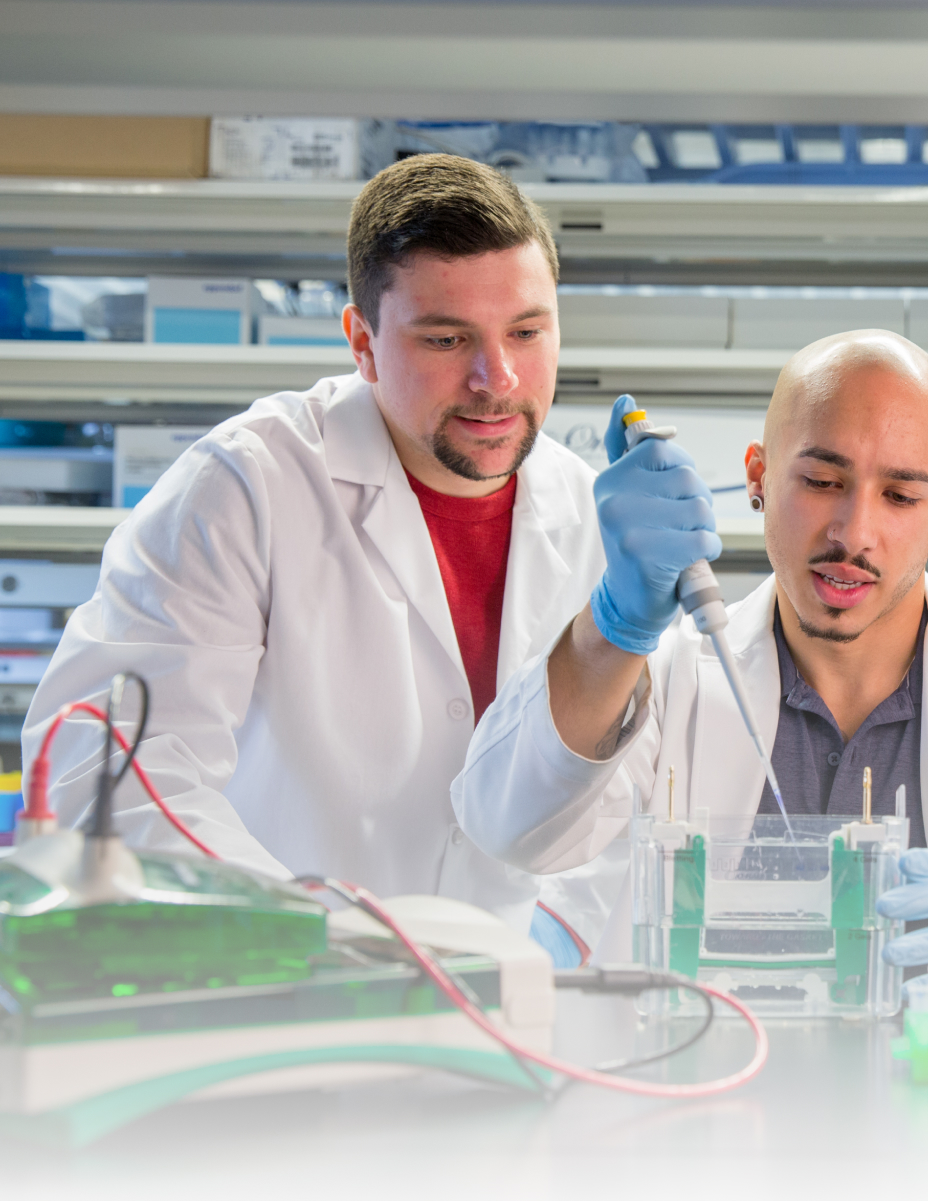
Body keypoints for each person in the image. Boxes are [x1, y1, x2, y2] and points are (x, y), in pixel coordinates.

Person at [452, 330, 928, 999]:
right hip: (697, 1131)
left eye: (901, 497)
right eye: (823, 481)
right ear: (759, 478)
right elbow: (507, 825)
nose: (854, 531)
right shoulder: (669, 680)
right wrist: (611, 627)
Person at [23, 154, 605, 934]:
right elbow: (113, 769)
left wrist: (567, 937)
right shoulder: (244, 487)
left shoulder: (593, 514)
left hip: (522, 1003)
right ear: (361, 341)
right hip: (287, 990)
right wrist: (314, 934)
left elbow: (627, 803)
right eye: (444, 339)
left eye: (527, 331)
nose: (495, 379)